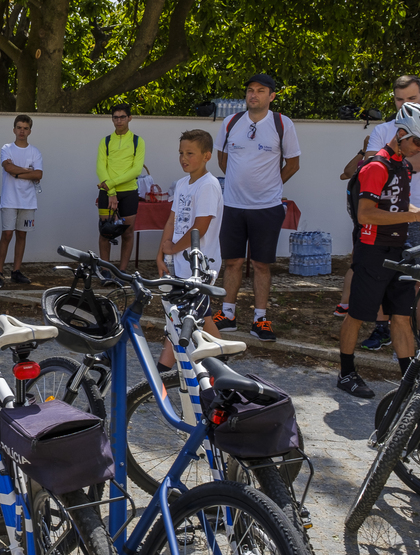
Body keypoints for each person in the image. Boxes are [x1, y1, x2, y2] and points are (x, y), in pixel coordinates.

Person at [338, 104, 420, 398]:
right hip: (372, 250)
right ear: (401, 134)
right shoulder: (375, 167)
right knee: (357, 315)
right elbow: (367, 214)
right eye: (418, 142)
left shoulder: (403, 166)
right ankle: (346, 373)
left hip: (399, 250)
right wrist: (415, 217)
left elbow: (395, 205)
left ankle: (408, 380)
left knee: (400, 315)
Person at [356, 87, 420, 351]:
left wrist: (401, 161)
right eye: (399, 99)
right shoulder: (384, 138)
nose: (404, 103)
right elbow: (372, 164)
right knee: (382, 278)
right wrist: (399, 163)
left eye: (410, 98)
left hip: (419, 215)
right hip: (390, 216)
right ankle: (380, 330)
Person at [213, 73, 301, 342]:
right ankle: (227, 314)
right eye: (250, 90)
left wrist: (271, 185)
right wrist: (240, 185)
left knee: (261, 264)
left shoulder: (281, 124)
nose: (254, 95)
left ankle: (260, 318)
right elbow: (222, 159)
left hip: (267, 207)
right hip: (233, 205)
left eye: (261, 90)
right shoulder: (231, 122)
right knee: (232, 262)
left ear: (271, 96)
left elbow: (293, 164)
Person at [156, 129, 223, 369]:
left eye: (190, 153)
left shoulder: (208, 186)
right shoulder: (183, 184)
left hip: (201, 265)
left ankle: (163, 372)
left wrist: (173, 248)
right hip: (180, 262)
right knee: (196, 316)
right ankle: (220, 366)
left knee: (189, 317)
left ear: (207, 156)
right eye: (181, 153)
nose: (184, 158)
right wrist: (162, 253)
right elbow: (172, 221)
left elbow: (200, 227)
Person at [96, 104, 146, 275]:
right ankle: (105, 270)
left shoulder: (137, 141)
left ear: (129, 118)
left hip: (129, 192)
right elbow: (100, 168)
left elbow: (136, 170)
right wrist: (110, 191)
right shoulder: (106, 141)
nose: (119, 121)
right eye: (115, 117)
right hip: (107, 193)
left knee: (128, 232)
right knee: (106, 231)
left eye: (122, 117)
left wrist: (112, 184)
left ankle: (122, 271)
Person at [0, 114, 43, 286]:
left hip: (28, 201)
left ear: (30, 130)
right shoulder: (6, 148)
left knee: (21, 235)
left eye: (25, 128)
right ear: (14, 129)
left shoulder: (34, 151)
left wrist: (17, 172)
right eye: (19, 127)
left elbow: (39, 174)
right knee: (7, 234)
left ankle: (16, 271)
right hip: (9, 199)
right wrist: (26, 171)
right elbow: (7, 167)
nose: (22, 131)